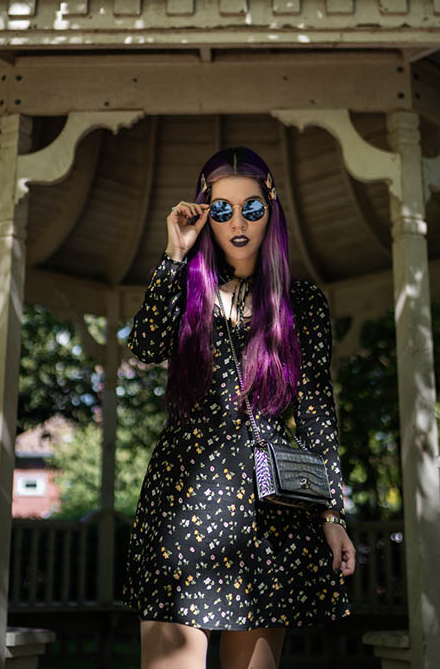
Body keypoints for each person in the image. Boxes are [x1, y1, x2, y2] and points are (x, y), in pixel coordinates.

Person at [122, 147, 356, 669]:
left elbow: (317, 411)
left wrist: (332, 513)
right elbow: (146, 344)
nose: (237, 222)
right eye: (222, 210)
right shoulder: (184, 288)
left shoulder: (303, 302)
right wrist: (174, 255)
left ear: (271, 209)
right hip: (182, 499)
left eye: (251, 207)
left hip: (268, 507)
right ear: (206, 215)